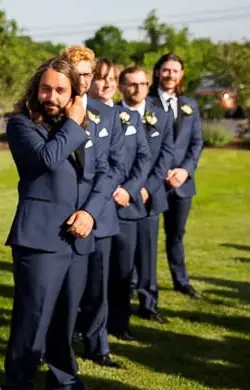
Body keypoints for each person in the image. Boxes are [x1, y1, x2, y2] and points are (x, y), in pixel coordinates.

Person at [2, 55, 110, 390]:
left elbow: (103, 172)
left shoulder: (80, 124)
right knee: (32, 321)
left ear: (73, 93)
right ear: (36, 89)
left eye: (60, 90)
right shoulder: (21, 124)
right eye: (45, 89)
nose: (51, 96)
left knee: (66, 317)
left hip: (79, 236)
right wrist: (74, 122)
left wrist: (90, 213)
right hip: (40, 239)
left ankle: (64, 378)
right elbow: (47, 159)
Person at [62, 47, 125, 368]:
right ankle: (57, 344)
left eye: (89, 74)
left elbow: (114, 166)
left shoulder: (106, 114)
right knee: (65, 290)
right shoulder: (53, 113)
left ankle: (97, 345)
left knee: (99, 286)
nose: (84, 80)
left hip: (100, 216)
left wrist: (91, 210)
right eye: (79, 74)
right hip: (63, 216)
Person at [148, 53, 204, 299]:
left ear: (181, 75)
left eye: (175, 71)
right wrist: (160, 172)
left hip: (181, 183)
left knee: (176, 235)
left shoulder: (190, 105)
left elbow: (196, 143)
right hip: (152, 182)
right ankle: (138, 283)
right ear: (157, 72)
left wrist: (185, 170)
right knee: (146, 237)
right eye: (166, 70)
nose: (170, 75)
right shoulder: (146, 103)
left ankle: (181, 281)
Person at [121, 66, 174, 324]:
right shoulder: (112, 115)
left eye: (142, 84)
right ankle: (119, 305)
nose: (138, 89)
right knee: (121, 258)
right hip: (121, 197)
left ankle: (149, 304)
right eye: (132, 84)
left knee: (147, 254)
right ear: (122, 87)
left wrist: (146, 188)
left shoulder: (161, 117)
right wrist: (128, 189)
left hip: (149, 198)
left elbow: (165, 158)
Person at [107, 65, 155, 340]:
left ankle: (119, 324)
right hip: (100, 204)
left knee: (123, 271)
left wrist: (130, 190)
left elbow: (144, 158)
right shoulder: (91, 114)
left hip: (127, 205)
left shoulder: (131, 119)